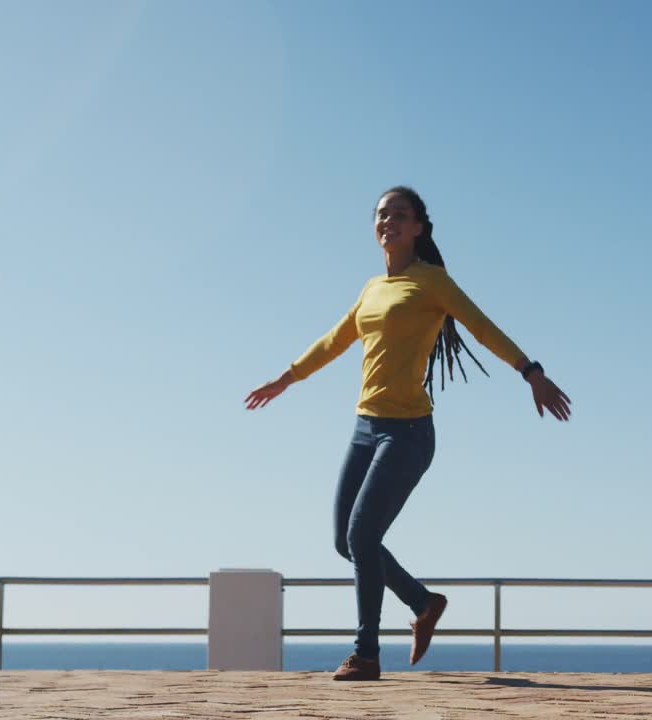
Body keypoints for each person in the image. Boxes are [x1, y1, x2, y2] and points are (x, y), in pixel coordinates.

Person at [244, 186, 572, 681]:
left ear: (419, 227)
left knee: (362, 533)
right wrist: (285, 378)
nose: (388, 221)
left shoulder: (433, 282)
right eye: (381, 214)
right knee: (345, 540)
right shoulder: (372, 288)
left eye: (399, 214)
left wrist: (531, 371)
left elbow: (482, 326)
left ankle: (367, 654)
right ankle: (423, 601)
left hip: (409, 432)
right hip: (364, 428)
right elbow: (334, 340)